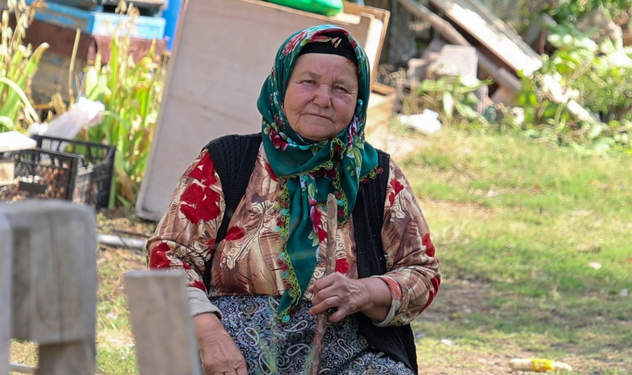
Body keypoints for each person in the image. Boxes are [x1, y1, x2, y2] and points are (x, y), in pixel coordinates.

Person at [147, 24, 440, 375]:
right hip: (230, 344)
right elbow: (171, 257)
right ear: (281, 85)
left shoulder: (376, 176)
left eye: (341, 89)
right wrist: (210, 338)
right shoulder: (226, 161)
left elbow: (421, 272)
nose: (323, 98)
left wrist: (363, 292)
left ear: (358, 101)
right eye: (308, 82)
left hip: (346, 352)